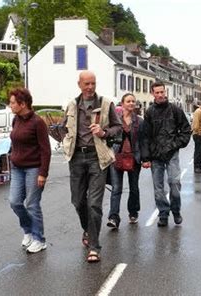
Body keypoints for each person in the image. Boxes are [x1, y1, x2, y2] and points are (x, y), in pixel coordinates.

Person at [63, 71, 122, 263]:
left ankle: (94, 247)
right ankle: (88, 229)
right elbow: (65, 127)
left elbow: (118, 127)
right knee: (78, 201)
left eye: (93, 83)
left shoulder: (106, 103)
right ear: (79, 84)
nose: (90, 87)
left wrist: (103, 132)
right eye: (87, 84)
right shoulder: (72, 105)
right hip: (76, 158)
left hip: (97, 157)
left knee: (94, 204)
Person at [141, 82, 191, 227]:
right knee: (158, 188)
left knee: (174, 183)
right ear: (153, 94)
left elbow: (186, 131)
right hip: (155, 155)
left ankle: (176, 210)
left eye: (162, 92)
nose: (160, 95)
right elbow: (145, 136)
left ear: (165, 92)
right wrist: (146, 157)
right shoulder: (149, 112)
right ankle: (163, 213)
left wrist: (175, 145)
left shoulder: (175, 110)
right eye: (157, 92)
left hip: (171, 153)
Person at [8, 87, 51, 254]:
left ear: (22, 104)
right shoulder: (16, 119)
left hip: (34, 168)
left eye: (12, 103)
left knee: (32, 204)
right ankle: (28, 230)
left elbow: (45, 150)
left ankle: (39, 239)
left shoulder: (37, 122)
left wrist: (43, 173)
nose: (10, 105)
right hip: (17, 168)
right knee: (14, 202)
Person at [107, 93, 145, 229]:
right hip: (116, 158)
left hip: (134, 158)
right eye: (128, 101)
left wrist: (145, 158)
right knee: (116, 188)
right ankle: (113, 217)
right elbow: (108, 137)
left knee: (133, 187)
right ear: (122, 104)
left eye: (133, 101)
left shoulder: (139, 121)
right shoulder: (114, 120)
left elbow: (143, 141)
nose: (131, 104)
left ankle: (133, 212)